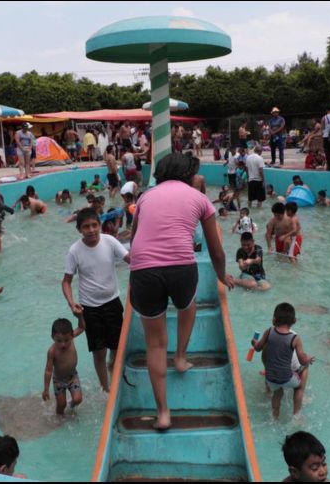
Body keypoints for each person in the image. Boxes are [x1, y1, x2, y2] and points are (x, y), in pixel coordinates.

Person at [129, 152, 234, 430]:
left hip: (143, 270)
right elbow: (216, 250)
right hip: (180, 268)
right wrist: (222, 275)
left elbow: (135, 235)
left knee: (155, 343)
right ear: (189, 174)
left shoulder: (145, 197)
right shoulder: (199, 199)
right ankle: (180, 358)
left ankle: (163, 413)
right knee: (188, 305)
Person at [63, 208, 130, 393]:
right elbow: (66, 281)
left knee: (116, 346)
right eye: (86, 227)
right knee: (98, 351)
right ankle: (106, 388)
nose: (91, 230)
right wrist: (71, 303)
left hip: (112, 302)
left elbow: (129, 259)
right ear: (79, 229)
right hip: (89, 308)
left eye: (94, 225)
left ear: (100, 225)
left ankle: (113, 365)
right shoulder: (74, 250)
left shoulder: (110, 241)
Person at [250, 303, 315, 419]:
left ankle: (275, 416)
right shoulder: (295, 338)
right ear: (294, 321)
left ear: (274, 320)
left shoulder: (268, 332)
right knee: (299, 385)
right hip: (287, 378)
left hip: (270, 378)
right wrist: (308, 359)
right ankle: (296, 415)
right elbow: (302, 360)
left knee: (278, 393)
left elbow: (258, 348)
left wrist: (254, 342)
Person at [42, 318, 85, 415]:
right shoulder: (52, 351)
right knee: (61, 405)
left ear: (72, 335)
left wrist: (79, 316)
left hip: (72, 377)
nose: (63, 344)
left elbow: (82, 328)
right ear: (52, 337)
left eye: (66, 340)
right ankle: (59, 417)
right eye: (59, 340)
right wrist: (46, 389)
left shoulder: (72, 340)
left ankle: (71, 407)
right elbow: (48, 371)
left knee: (78, 399)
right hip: (59, 380)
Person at [246, 144, 266, 209]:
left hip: (250, 180)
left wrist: (248, 179)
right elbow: (261, 171)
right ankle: (259, 211)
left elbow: (246, 169)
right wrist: (263, 181)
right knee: (260, 199)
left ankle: (249, 209)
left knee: (250, 198)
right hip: (258, 180)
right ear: (260, 151)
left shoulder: (248, 157)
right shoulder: (260, 158)